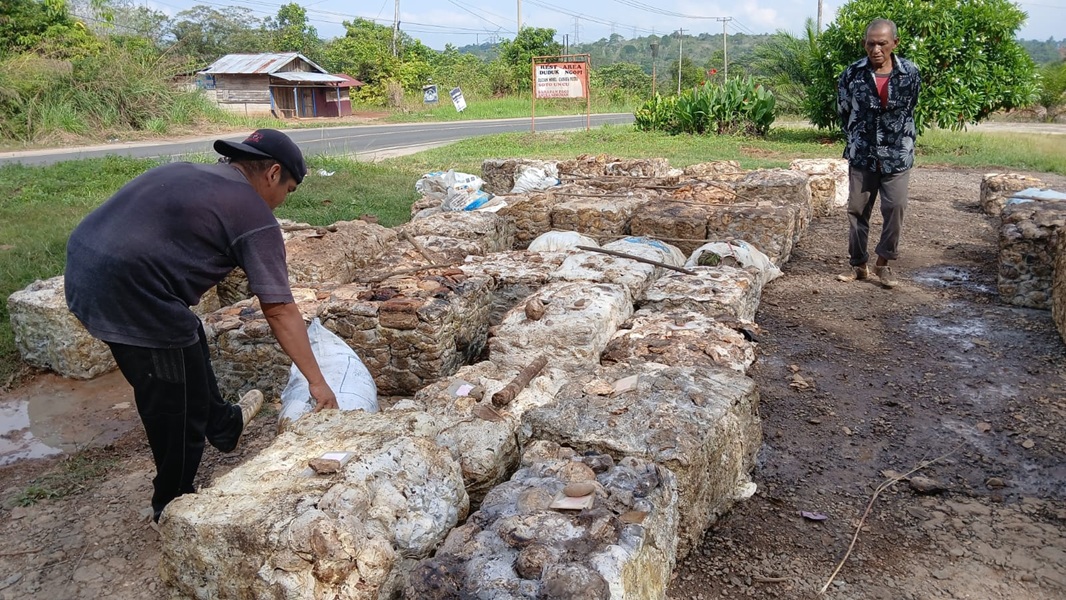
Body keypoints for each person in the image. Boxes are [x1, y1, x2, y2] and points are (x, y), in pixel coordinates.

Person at [65, 129, 339, 523]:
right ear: (273, 173)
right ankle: (172, 504)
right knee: (172, 406)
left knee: (187, 331)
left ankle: (223, 424)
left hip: (84, 266)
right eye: (289, 190)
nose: (282, 202)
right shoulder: (253, 215)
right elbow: (279, 310)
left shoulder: (189, 172)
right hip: (127, 291)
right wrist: (316, 381)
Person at [836, 18, 921, 288]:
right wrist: (858, 137)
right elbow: (843, 110)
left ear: (894, 43)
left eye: (882, 43)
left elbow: (912, 107)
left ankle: (883, 262)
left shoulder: (910, 72)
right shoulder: (851, 73)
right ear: (864, 44)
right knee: (857, 210)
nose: (876, 49)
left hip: (897, 154)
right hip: (863, 153)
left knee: (895, 206)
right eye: (870, 44)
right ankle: (858, 265)